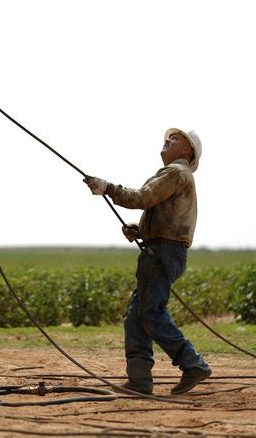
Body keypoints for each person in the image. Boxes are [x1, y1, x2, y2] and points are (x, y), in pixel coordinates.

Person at [84, 128, 211, 396]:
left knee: (150, 313)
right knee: (136, 317)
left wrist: (108, 188)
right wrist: (141, 231)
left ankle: (193, 363)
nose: (167, 141)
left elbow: (143, 198)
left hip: (162, 253)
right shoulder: (180, 176)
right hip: (162, 250)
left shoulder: (175, 173)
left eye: (174, 140)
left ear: (187, 152)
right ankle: (140, 381)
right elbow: (168, 219)